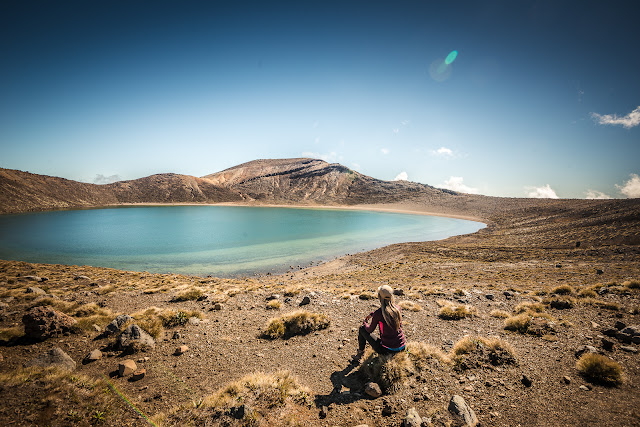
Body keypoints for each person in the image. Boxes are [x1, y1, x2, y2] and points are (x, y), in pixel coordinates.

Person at [352, 285, 406, 361]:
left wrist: (365, 323)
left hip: (387, 350)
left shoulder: (379, 313)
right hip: (402, 347)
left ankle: (359, 354)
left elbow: (369, 330)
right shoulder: (397, 309)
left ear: (380, 297)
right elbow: (388, 313)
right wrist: (374, 314)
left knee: (362, 329)